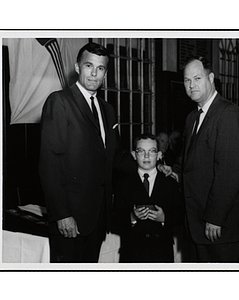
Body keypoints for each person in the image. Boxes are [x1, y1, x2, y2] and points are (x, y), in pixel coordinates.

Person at [39, 42, 136, 263]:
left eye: (100, 68)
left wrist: (149, 165)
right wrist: (62, 214)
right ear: (77, 67)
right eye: (88, 66)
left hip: (98, 216)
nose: (94, 73)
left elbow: (115, 156)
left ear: (105, 72)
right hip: (70, 217)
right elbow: (50, 164)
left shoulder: (107, 109)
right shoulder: (60, 102)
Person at [172, 56, 239, 262]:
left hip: (217, 226)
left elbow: (230, 171)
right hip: (195, 221)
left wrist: (215, 217)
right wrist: (173, 171)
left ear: (211, 78)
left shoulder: (229, 113)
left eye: (197, 78)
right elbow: (187, 161)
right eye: (187, 81)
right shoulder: (192, 117)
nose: (191, 85)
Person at [112, 134, 185, 262]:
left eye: (152, 151)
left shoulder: (169, 182)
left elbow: (181, 215)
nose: (146, 156)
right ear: (134, 155)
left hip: (161, 252)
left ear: (159, 155)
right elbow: (114, 218)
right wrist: (132, 217)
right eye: (141, 151)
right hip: (133, 252)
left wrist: (164, 218)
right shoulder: (124, 183)